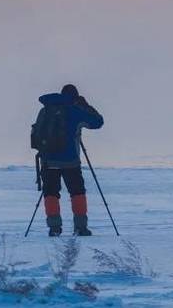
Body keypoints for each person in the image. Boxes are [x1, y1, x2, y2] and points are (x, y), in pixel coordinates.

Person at [31, 84, 103, 236]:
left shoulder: (45, 110)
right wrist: (85, 105)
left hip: (48, 161)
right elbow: (98, 122)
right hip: (70, 161)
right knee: (77, 192)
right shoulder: (75, 110)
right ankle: (80, 227)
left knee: (50, 193)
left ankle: (54, 228)